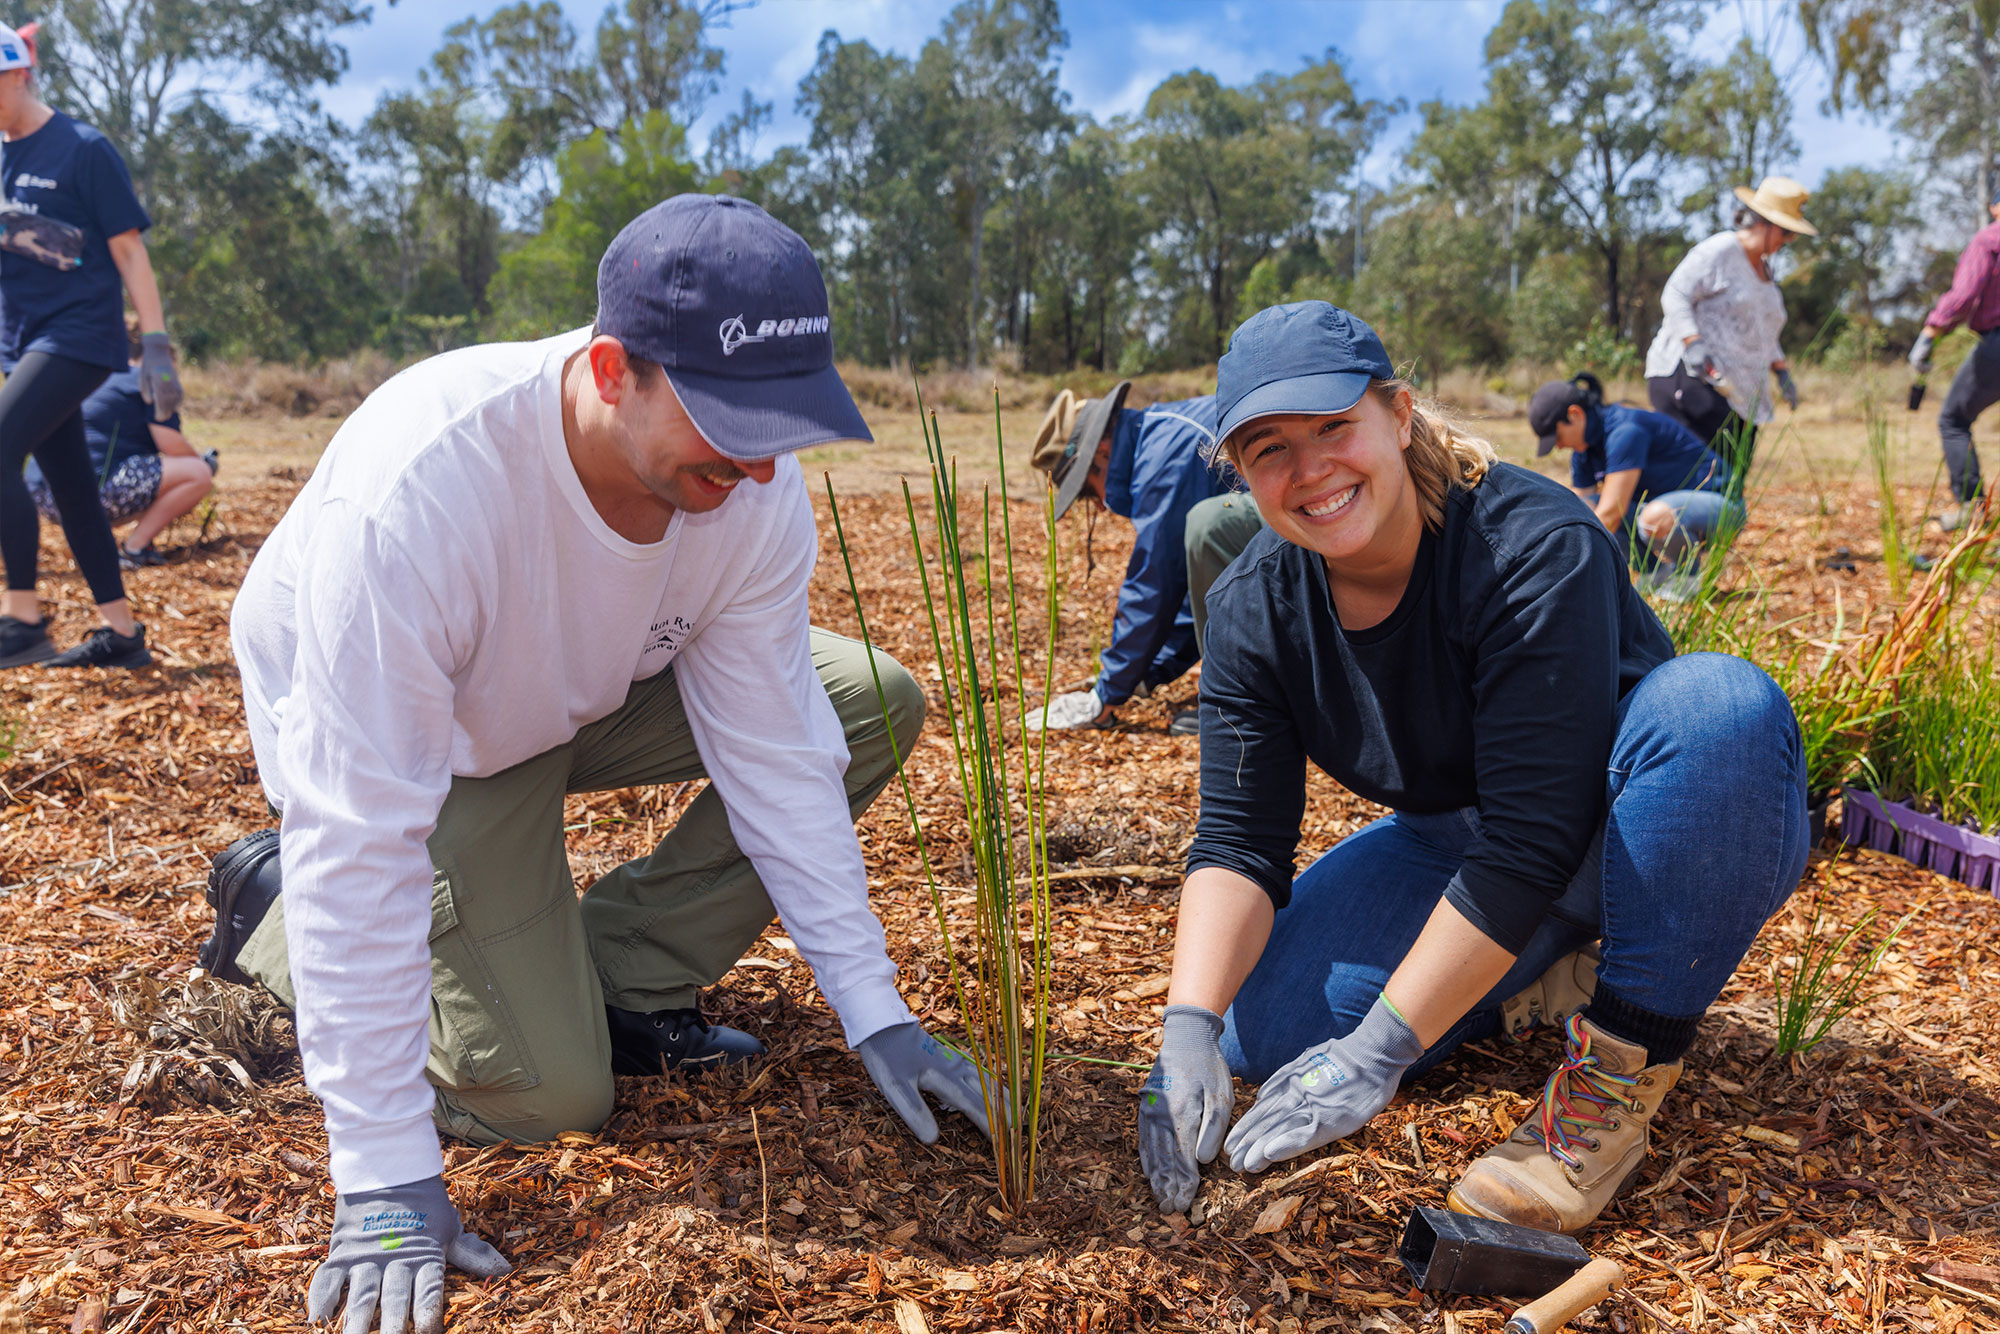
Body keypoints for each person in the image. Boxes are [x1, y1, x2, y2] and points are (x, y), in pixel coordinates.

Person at [202, 195, 996, 1334]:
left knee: (866, 701)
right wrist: (380, 1172)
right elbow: (363, 829)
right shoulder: (422, 494)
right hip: (432, 739)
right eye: (728, 420)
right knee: (551, 1096)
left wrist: (876, 1010)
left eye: (780, 426)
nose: (763, 469)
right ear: (612, 366)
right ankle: (273, 905)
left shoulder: (741, 482)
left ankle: (611, 976)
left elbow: (775, 742)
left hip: (591, 678)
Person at [1137, 301, 1808, 1237]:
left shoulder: (1529, 541)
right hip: (1459, 840)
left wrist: (1378, 1052)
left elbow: (1534, 835)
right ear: (1242, 472)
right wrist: (1186, 1029)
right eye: (1268, 449)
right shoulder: (1255, 603)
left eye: (1334, 427)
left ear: (1398, 414)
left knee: (1720, 706)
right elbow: (1239, 841)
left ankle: (1619, 1064)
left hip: (1650, 830)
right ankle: (1548, 976)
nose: (1310, 470)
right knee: (1269, 1029)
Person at [0, 21, 183, 670]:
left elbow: (129, 251)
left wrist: (155, 341)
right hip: (23, 343)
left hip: (78, 337)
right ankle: (123, 636)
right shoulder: (1, 155)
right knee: (73, 488)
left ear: (19, 73)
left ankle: (22, 619)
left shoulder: (83, 148)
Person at [1025, 385, 1262, 735]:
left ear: (1102, 450)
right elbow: (1193, 589)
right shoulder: (1156, 437)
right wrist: (1145, 674)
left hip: (1311, 526)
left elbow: (1153, 588)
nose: (1102, 506)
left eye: (1089, 490)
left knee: (1211, 527)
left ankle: (1250, 705)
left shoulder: (1163, 460)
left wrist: (1107, 693)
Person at [1643, 176, 1814, 476]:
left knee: (1729, 487)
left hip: (1740, 395)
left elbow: (1761, 328)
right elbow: (1676, 294)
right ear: (1764, 223)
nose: (1787, 241)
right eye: (1786, 232)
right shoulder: (1721, 250)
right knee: (1700, 480)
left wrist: (1781, 370)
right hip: (1695, 380)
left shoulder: (1767, 270)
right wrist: (1693, 342)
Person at [1529, 371, 1740, 592]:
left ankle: (1687, 578)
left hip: (1721, 507)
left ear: (1575, 414)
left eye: (1558, 437)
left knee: (1654, 518)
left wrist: (1563, 573)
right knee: (1587, 509)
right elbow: (1580, 513)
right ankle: (1654, 574)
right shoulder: (1584, 451)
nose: (1559, 446)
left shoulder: (1625, 431)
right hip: (1665, 509)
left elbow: (1610, 515)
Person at [26, 329, 217, 568]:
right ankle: (135, 547)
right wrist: (203, 463)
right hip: (92, 495)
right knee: (198, 474)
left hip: (44, 497)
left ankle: (97, 543)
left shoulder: (98, 376)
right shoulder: (154, 378)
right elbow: (168, 441)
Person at [1909, 186, 2000, 532]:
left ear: (1994, 206)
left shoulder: (1989, 240)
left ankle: (1972, 510)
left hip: (1996, 344)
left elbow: (1964, 295)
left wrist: (1931, 332)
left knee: (1953, 420)